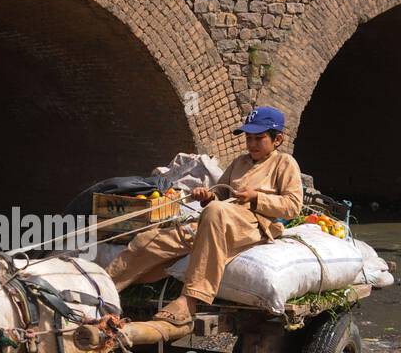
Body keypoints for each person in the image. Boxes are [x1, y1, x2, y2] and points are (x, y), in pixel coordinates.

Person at [105, 106, 303, 334]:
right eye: (249, 138)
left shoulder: (285, 163)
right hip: (218, 218)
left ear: (277, 139)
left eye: (259, 138)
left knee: (215, 211)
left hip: (254, 224)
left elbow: (292, 206)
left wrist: (256, 197)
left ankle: (190, 299)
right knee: (149, 240)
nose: (252, 144)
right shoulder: (239, 162)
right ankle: (103, 289)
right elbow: (220, 193)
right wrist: (208, 196)